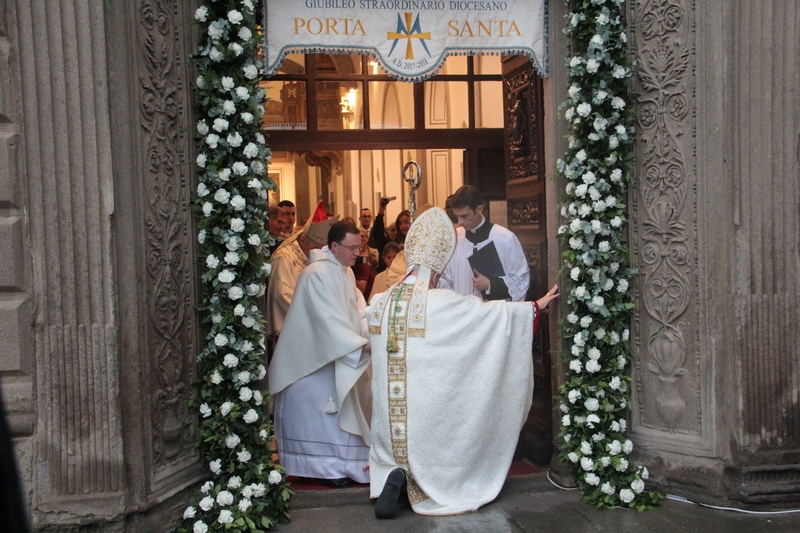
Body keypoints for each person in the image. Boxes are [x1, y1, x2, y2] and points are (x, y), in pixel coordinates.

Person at [367, 207, 558, 518]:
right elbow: (486, 318)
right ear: (436, 273)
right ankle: (427, 478)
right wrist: (534, 307)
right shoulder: (439, 302)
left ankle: (396, 473)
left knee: (397, 433)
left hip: (391, 415)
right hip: (423, 408)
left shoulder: (379, 303)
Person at [269, 220, 372, 488]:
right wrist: (358, 345)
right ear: (334, 246)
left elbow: (358, 312)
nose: (357, 253)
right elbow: (327, 320)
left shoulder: (345, 273)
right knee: (319, 418)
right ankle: (322, 469)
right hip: (312, 364)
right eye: (352, 248)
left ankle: (338, 466)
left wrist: (372, 332)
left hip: (336, 354)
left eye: (359, 247)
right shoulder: (316, 273)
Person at [439, 185, 530, 301]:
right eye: (457, 216)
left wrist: (490, 284)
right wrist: (436, 282)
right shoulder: (454, 239)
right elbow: (445, 279)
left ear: (479, 209)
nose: (460, 222)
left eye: (464, 216)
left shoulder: (505, 239)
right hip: (463, 309)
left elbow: (521, 280)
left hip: (494, 310)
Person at [265, 201, 338, 341]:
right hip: (293, 333)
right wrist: (315, 317)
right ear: (303, 240)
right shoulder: (284, 258)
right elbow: (282, 296)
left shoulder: (314, 256)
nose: (317, 252)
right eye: (314, 247)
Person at [352, 229, 376, 298]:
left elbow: (361, 289)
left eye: (362, 236)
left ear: (367, 238)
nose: (361, 238)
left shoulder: (364, 266)